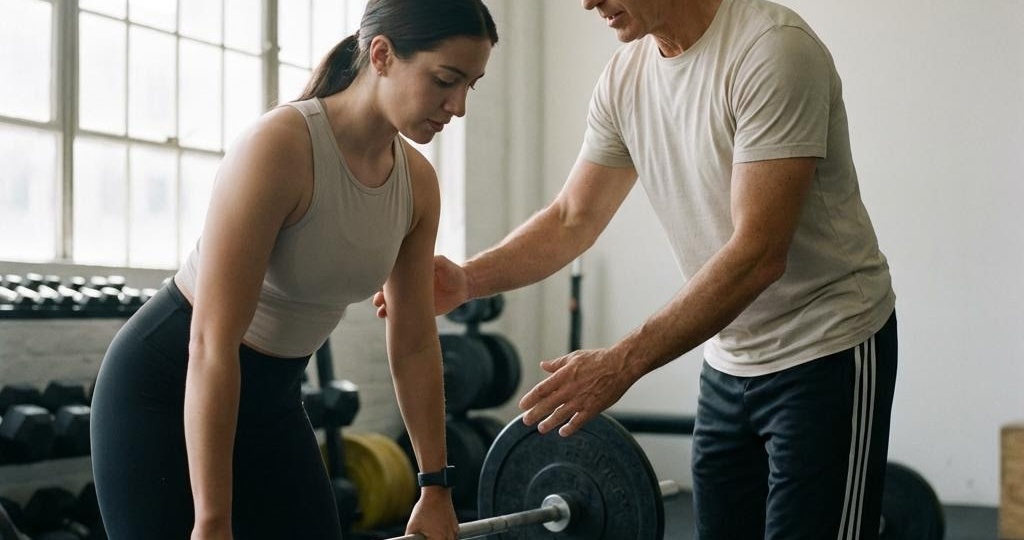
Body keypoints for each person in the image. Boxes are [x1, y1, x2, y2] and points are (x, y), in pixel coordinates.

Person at [375, 0, 897, 538]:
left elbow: (758, 253)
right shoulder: (626, 79)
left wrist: (622, 362)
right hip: (730, 357)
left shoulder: (772, 51)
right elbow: (573, 217)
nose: (588, 2)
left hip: (825, 347)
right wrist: (468, 280)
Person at [89, 1, 497, 539]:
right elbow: (211, 343)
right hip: (169, 388)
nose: (458, 106)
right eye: (445, 80)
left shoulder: (417, 185)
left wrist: (435, 487)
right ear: (381, 55)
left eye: (471, 86)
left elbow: (415, 342)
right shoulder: (281, 146)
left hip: (273, 399)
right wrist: (212, 520)